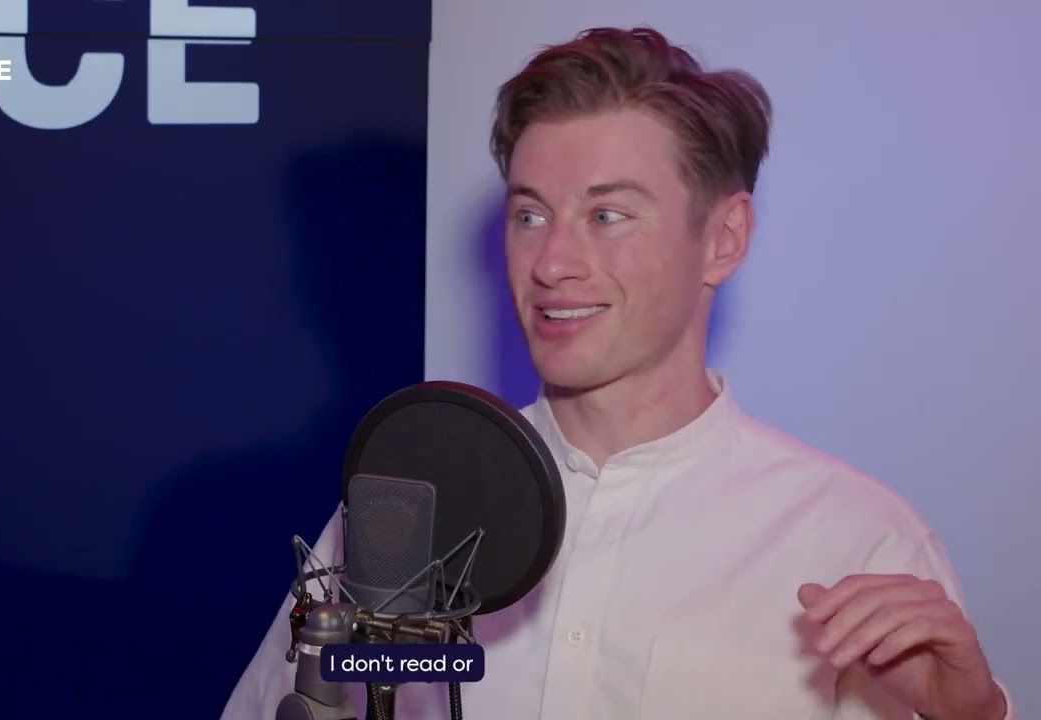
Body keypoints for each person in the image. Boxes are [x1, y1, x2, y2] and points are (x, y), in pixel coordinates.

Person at [221, 26, 1013, 719]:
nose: (552, 262)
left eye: (607, 215)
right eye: (530, 214)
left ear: (724, 239)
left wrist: (970, 716)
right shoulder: (407, 507)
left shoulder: (855, 540)